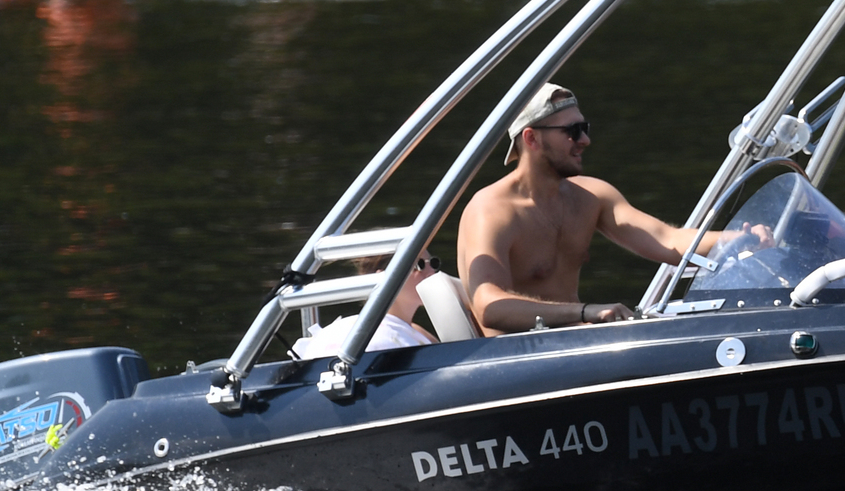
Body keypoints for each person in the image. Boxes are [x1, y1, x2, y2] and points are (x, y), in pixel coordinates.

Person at [458, 84, 731, 335]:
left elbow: (667, 240)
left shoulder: (592, 196)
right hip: (516, 364)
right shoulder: (491, 211)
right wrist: (587, 312)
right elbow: (489, 306)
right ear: (531, 139)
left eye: (585, 128)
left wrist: (742, 239)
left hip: (577, 345)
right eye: (573, 131)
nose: (585, 140)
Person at [293, 249, 441, 360]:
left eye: (432, 263)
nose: (431, 271)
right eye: (419, 265)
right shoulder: (382, 338)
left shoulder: (413, 331)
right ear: (383, 275)